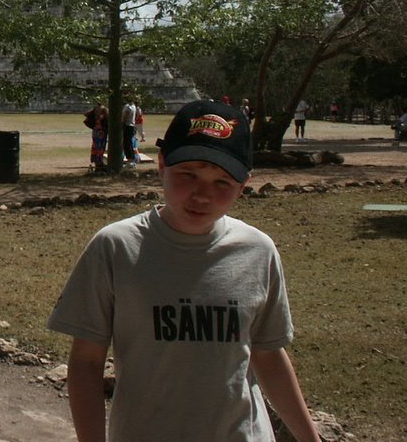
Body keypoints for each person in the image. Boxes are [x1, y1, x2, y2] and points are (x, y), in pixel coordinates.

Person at [48, 100, 321, 442]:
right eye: (187, 175)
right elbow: (87, 361)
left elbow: (268, 353)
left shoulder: (258, 250)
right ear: (162, 165)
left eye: (222, 182)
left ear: (244, 184)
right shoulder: (116, 247)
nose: (202, 195)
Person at [121, 97, 137, 165]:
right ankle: (132, 158)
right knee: (129, 143)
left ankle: (129, 159)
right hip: (132, 126)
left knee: (127, 143)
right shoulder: (133, 106)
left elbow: (126, 116)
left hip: (127, 126)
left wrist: (122, 123)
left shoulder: (127, 107)